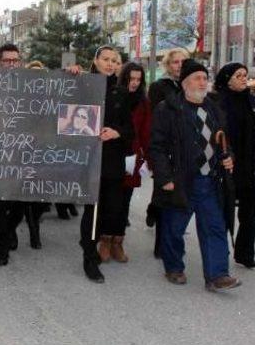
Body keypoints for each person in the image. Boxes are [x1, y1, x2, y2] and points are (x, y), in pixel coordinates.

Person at [149, 59, 241, 292]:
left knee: (215, 227)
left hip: (210, 180)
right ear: (185, 83)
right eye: (197, 78)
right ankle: (174, 267)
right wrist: (165, 178)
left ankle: (217, 275)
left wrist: (228, 156)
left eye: (204, 78)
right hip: (181, 180)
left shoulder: (213, 108)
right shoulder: (168, 109)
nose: (203, 82)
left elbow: (223, 140)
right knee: (174, 227)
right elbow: (157, 147)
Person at [73, 45, 133, 283]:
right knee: (92, 210)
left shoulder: (121, 94)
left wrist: (116, 132)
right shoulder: (83, 86)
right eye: (106, 59)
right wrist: (71, 74)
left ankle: (92, 243)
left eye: (115, 61)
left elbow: (129, 129)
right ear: (95, 61)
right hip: (88, 159)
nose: (110, 64)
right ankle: (89, 256)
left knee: (110, 209)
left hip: (112, 161)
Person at [214, 62, 255, 268]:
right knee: (224, 212)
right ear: (227, 79)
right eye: (238, 75)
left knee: (250, 211)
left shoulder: (251, 99)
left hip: (249, 165)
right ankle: (219, 253)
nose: (243, 78)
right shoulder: (218, 101)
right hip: (227, 165)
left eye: (245, 75)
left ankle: (245, 253)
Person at [147, 47, 189, 257]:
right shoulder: (159, 87)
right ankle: (161, 247)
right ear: (168, 65)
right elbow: (157, 119)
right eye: (175, 62)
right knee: (165, 198)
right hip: (166, 151)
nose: (179, 65)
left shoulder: (192, 86)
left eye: (183, 62)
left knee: (181, 201)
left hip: (188, 154)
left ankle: (172, 241)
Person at [0, 44, 29, 265]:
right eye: (7, 60)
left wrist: (71, 72)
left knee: (19, 205)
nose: (12, 64)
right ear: (0, 61)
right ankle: (1, 246)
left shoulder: (31, 83)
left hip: (23, 154)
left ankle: (10, 230)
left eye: (15, 60)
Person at [119, 62, 152, 233]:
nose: (134, 82)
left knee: (128, 190)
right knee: (113, 190)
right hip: (114, 151)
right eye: (131, 78)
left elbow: (146, 131)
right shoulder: (114, 95)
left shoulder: (144, 102)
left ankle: (122, 218)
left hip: (133, 152)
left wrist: (147, 156)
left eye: (138, 79)